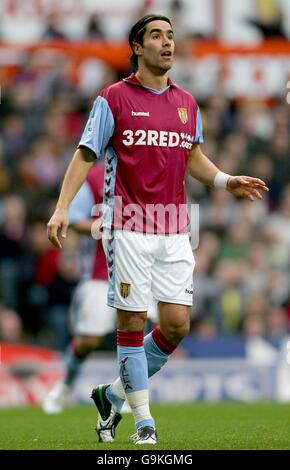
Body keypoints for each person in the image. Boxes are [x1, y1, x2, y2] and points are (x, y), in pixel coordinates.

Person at [47, 14, 268, 444]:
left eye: (170, 36)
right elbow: (85, 155)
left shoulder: (187, 102)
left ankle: (111, 395)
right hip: (127, 226)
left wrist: (225, 180)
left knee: (176, 325)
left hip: (175, 228)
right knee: (130, 325)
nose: (167, 43)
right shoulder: (112, 99)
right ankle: (144, 424)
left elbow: (193, 158)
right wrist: (60, 209)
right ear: (137, 47)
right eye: (156, 36)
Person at [43, 161, 116, 413]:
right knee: (89, 340)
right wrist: (102, 227)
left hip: (142, 270)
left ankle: (126, 392)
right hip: (100, 273)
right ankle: (64, 385)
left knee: (139, 331)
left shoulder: (147, 166)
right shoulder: (94, 176)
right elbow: (73, 219)